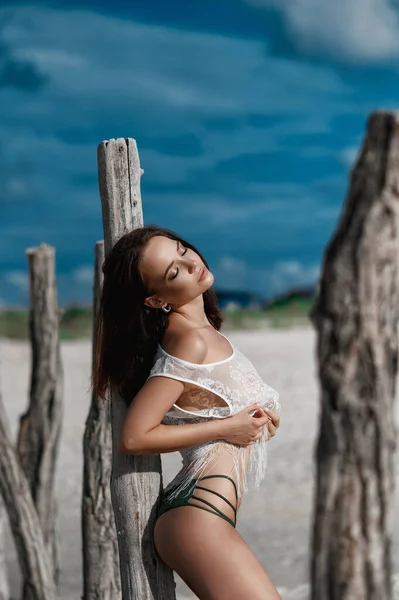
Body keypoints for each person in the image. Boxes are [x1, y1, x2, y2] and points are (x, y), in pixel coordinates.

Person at [93, 224, 282, 600]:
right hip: (197, 517)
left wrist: (257, 424)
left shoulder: (206, 331)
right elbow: (135, 436)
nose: (191, 262)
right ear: (155, 300)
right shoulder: (188, 340)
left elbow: (208, 408)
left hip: (208, 512)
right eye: (174, 271)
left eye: (182, 250)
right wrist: (228, 427)